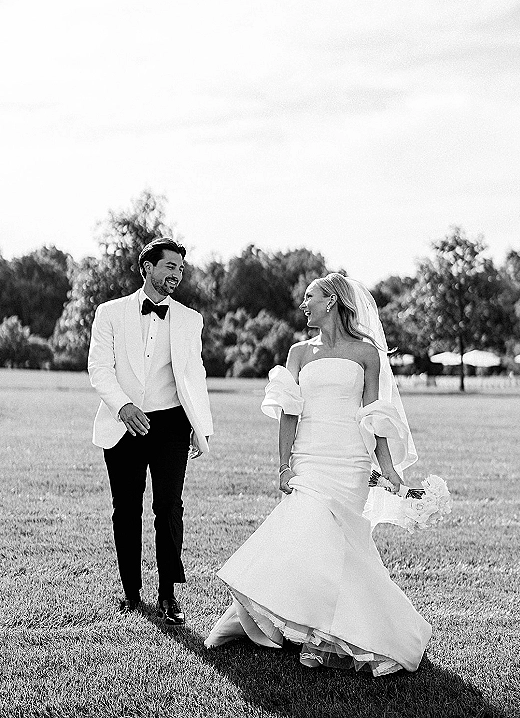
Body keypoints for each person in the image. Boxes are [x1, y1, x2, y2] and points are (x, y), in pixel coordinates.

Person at [204, 273, 432, 676]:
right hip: (309, 460)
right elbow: (289, 413)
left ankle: (322, 641)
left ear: (332, 301)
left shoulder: (367, 354)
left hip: (351, 463)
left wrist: (390, 471)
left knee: (341, 552)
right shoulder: (298, 353)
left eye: (310, 297)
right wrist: (283, 465)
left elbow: (374, 416)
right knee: (297, 537)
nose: (303, 304)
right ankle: (247, 617)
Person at [88, 237, 213, 623]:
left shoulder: (191, 319)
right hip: (123, 421)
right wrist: (122, 406)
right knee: (126, 510)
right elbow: (99, 368)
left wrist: (199, 426)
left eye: (180, 268)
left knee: (169, 508)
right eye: (170, 266)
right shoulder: (109, 313)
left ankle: (168, 595)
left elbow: (195, 375)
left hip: (171, 424)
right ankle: (130, 592)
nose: (177, 274)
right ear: (147, 268)